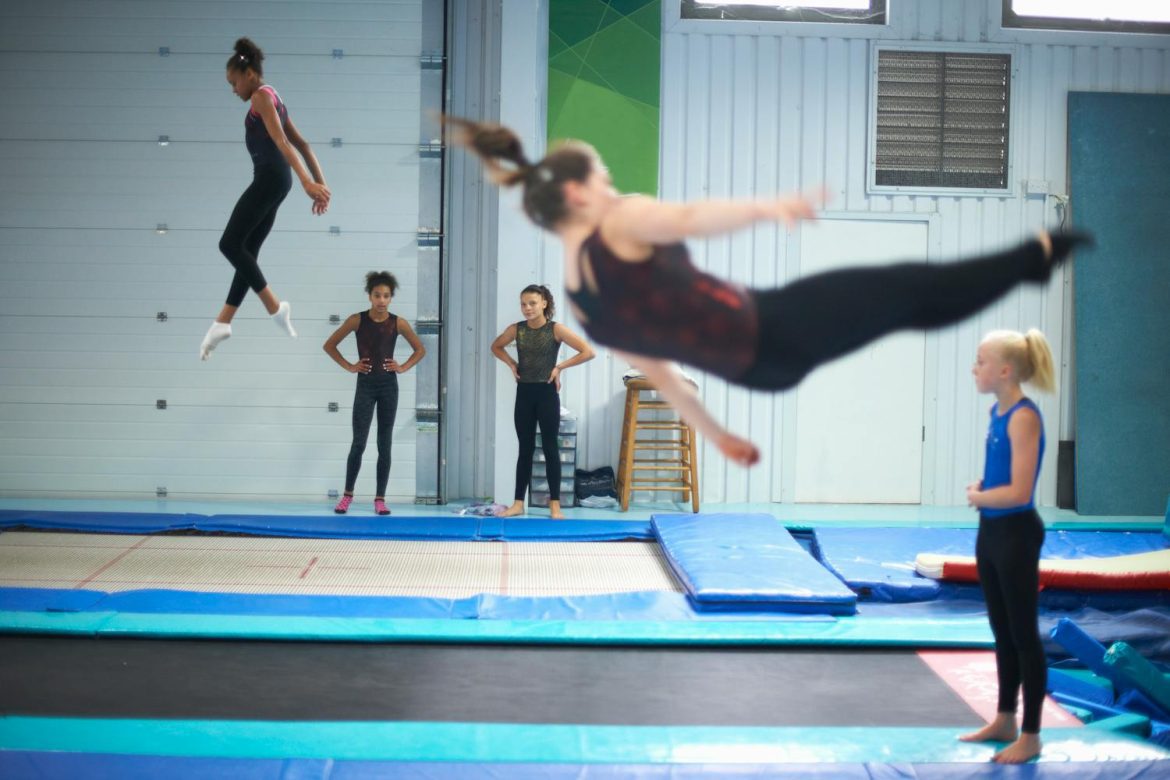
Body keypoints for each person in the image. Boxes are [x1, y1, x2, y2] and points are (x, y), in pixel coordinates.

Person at [444, 116, 1091, 467]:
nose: (614, 186)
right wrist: (771, 206)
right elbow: (694, 217)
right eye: (607, 178)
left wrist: (719, 434)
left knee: (908, 308)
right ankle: (1031, 258)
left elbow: (661, 374)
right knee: (911, 288)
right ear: (581, 194)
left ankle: (1028, 265)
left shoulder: (582, 300)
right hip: (776, 321)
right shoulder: (618, 220)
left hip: (762, 371)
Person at [200, 37, 332, 360]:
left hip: (272, 179)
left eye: (233, 82)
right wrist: (321, 184)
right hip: (278, 182)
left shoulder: (260, 97)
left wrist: (308, 184)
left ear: (247, 74)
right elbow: (305, 145)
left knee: (229, 244)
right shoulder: (274, 96)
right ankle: (223, 321)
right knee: (247, 252)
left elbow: (284, 143)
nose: (233, 90)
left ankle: (275, 307)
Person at [960, 329, 1055, 764]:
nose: (975, 368)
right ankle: (1005, 718)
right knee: (1001, 631)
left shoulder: (1022, 416)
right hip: (991, 533)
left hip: (1016, 533)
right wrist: (984, 487)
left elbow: (1020, 491)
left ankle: (1032, 734)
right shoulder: (995, 412)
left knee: (1023, 636)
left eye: (981, 361)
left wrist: (981, 496)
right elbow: (1002, 478)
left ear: (1005, 370)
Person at [323, 271, 426, 515]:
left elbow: (420, 349)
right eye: (377, 295)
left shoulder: (398, 322)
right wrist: (350, 366)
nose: (381, 300)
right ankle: (347, 495)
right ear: (369, 296)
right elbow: (329, 345)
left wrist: (402, 367)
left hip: (388, 387)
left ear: (391, 298)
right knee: (358, 442)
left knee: (384, 443)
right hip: (365, 386)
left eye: (386, 296)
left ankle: (380, 499)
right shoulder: (356, 320)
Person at [491, 285, 595, 519]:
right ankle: (518, 503)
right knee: (525, 449)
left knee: (550, 448)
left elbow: (588, 351)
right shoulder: (516, 330)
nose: (527, 308)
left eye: (532, 303)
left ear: (544, 304)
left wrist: (559, 367)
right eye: (523, 304)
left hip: (547, 394)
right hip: (524, 394)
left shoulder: (555, 329)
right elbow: (495, 347)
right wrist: (511, 363)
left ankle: (554, 504)